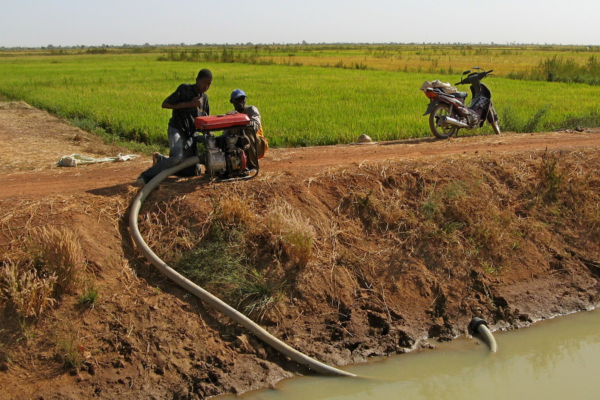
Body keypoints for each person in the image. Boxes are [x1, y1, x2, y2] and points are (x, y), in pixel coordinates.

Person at [136, 69, 212, 184]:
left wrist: (208, 135)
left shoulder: (204, 99)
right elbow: (165, 104)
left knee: (194, 170)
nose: (206, 86)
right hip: (177, 128)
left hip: (191, 134)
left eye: (209, 84)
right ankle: (146, 176)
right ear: (197, 80)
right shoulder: (185, 89)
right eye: (204, 83)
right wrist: (190, 104)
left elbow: (205, 119)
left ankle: (161, 160)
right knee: (177, 157)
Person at [225, 89, 268, 170]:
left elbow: (255, 126)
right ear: (231, 101)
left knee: (248, 131)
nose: (241, 101)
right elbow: (226, 133)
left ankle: (253, 166)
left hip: (256, 143)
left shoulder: (252, 110)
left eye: (242, 99)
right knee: (225, 140)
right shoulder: (230, 115)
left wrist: (240, 120)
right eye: (237, 99)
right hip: (239, 144)